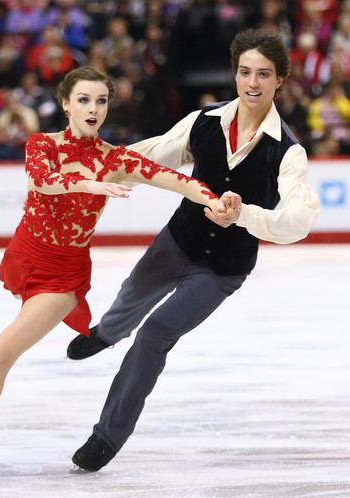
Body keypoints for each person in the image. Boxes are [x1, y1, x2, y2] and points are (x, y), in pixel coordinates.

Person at [0, 65, 232, 477]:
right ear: (66, 103)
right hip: (26, 251)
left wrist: (213, 199)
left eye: (101, 101)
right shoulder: (41, 145)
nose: (93, 109)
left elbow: (173, 179)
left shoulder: (115, 160)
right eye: (83, 99)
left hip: (60, 276)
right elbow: (44, 181)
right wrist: (89, 184)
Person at [68, 30, 320, 472]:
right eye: (245, 71)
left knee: (154, 335)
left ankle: (106, 436)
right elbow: (152, 155)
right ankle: (105, 334)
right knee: (132, 293)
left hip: (222, 269)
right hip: (179, 238)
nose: (252, 83)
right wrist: (95, 167)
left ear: (281, 79)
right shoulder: (204, 121)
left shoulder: (288, 150)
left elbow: (297, 222)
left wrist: (244, 216)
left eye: (264, 74)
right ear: (235, 73)